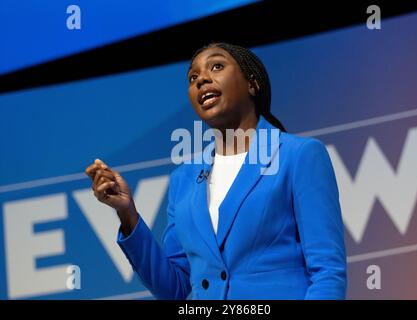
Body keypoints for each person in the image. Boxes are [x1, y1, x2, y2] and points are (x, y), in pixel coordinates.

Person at [85, 42, 347, 300]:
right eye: (193, 77)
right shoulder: (183, 179)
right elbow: (175, 289)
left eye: (217, 66)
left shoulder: (298, 155)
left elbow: (327, 272)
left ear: (252, 84)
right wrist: (127, 213)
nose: (201, 80)